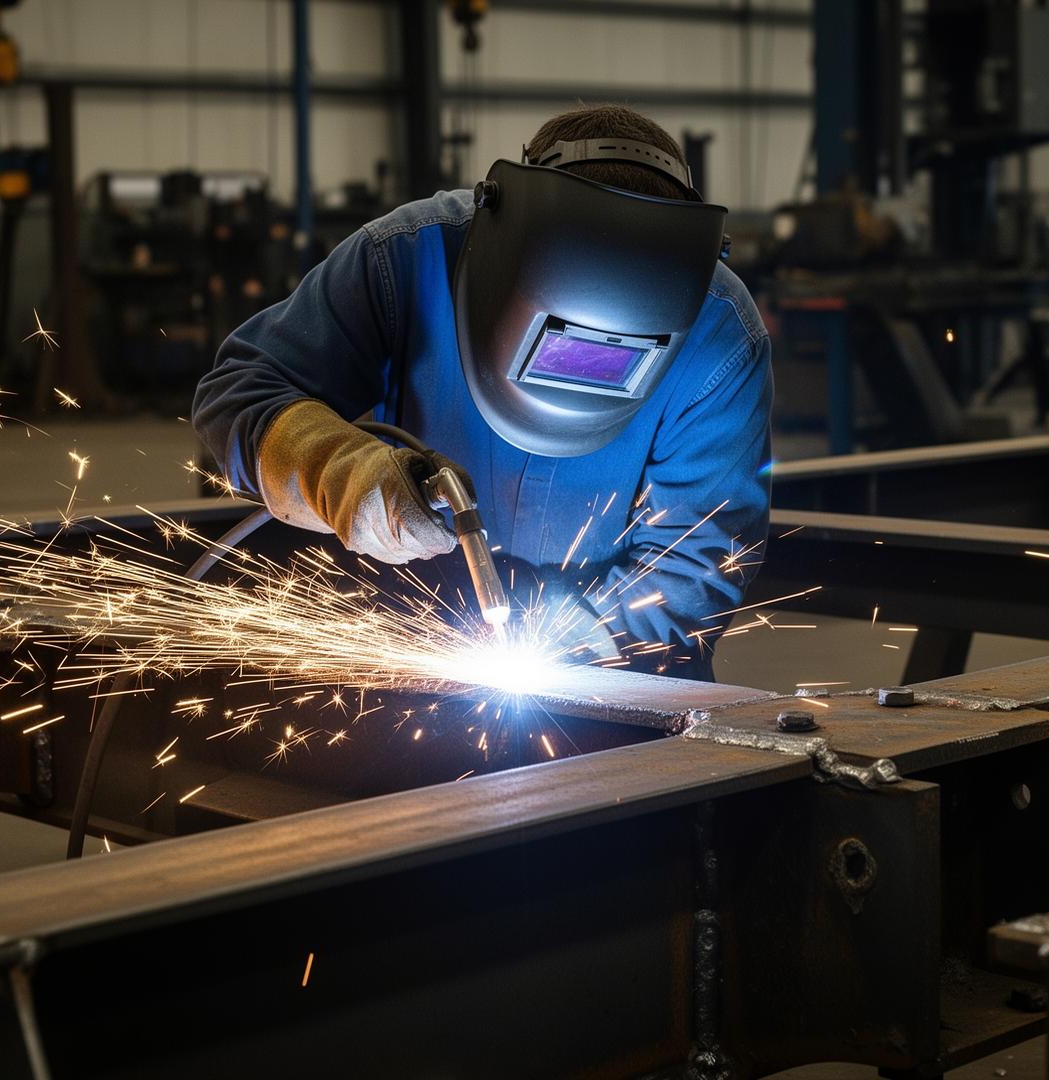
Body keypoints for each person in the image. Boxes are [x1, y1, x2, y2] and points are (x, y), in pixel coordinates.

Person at [193, 104, 771, 679]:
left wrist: (569, 648)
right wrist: (346, 477)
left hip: (623, 689)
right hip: (409, 663)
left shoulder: (719, 333)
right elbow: (240, 392)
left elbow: (695, 563)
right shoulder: (407, 258)